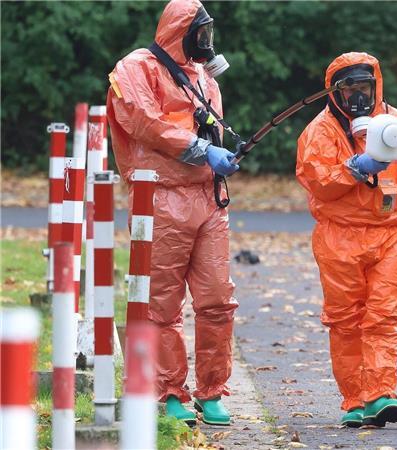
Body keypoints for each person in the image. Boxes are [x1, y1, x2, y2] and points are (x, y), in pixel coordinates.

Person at [107, 0, 239, 426]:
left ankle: (212, 389)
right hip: (158, 196)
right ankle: (168, 392)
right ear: (178, 31)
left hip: (208, 197)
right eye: (198, 34)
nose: (206, 43)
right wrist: (201, 148)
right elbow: (144, 121)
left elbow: (212, 124)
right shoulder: (134, 68)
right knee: (162, 304)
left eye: (208, 34)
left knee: (218, 299)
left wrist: (222, 149)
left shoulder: (202, 76)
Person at [296, 52, 397, 428]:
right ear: (335, 92)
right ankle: (354, 400)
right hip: (338, 236)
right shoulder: (321, 132)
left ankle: (380, 393)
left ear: (376, 86)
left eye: (364, 87)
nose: (358, 96)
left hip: (389, 233)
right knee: (346, 320)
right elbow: (318, 183)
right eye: (349, 89)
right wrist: (354, 170)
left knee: (385, 315)